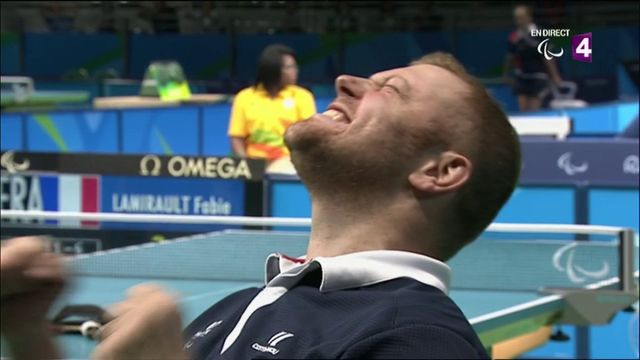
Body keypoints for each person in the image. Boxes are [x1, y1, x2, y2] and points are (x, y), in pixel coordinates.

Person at [0, 52, 521, 359]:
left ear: (439, 171)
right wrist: (27, 336)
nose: (346, 82)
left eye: (391, 89)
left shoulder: (420, 341)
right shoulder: (234, 308)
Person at [228, 44, 316, 168]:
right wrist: (247, 166)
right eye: (290, 67)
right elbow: (237, 137)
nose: (295, 70)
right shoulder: (245, 97)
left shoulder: (303, 97)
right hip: (254, 165)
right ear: (273, 69)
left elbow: (309, 137)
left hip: (289, 165)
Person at [504, 4, 563, 112]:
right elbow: (510, 57)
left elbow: (547, 56)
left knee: (533, 111)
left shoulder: (539, 33)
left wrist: (555, 75)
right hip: (522, 76)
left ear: (529, 18)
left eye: (521, 17)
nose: (519, 21)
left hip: (538, 76)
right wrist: (506, 74)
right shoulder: (514, 36)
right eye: (516, 18)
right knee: (523, 111)